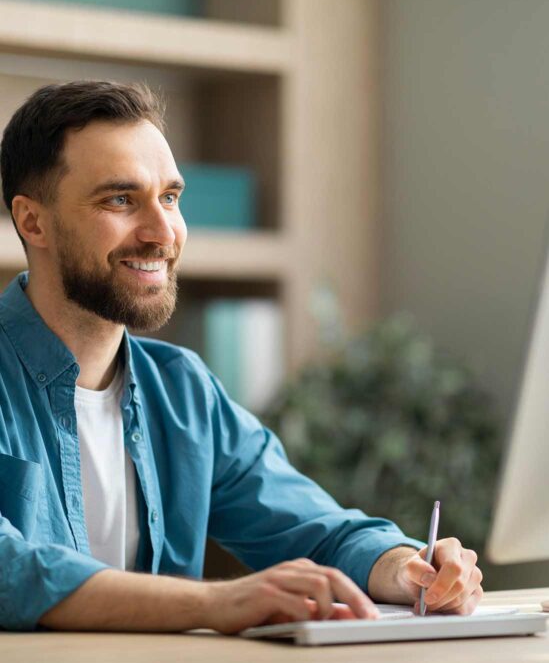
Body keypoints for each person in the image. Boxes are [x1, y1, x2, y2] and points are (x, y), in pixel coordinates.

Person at [0, 81, 483, 633]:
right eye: (120, 199)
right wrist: (215, 603)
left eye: (170, 198)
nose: (164, 233)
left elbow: (318, 530)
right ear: (33, 221)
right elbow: (9, 571)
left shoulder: (183, 392)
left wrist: (409, 570)